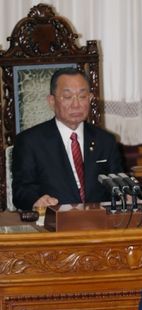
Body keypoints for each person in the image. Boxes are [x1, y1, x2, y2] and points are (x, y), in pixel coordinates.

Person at [12, 67, 126, 211]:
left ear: (90, 98)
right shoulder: (30, 142)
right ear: (51, 101)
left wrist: (126, 195)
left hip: (99, 223)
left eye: (83, 96)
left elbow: (118, 185)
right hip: (54, 224)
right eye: (67, 97)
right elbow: (21, 191)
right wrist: (36, 200)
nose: (76, 104)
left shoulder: (106, 141)